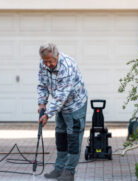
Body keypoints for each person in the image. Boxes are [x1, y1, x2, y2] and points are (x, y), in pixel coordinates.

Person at [37, 43, 88, 181]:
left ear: (57, 55)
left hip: (75, 105)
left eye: (50, 61)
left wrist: (48, 114)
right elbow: (42, 84)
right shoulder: (43, 64)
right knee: (61, 136)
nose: (47, 64)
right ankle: (59, 169)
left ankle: (69, 172)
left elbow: (61, 95)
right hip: (59, 106)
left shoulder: (67, 66)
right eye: (45, 61)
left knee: (73, 138)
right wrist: (42, 104)